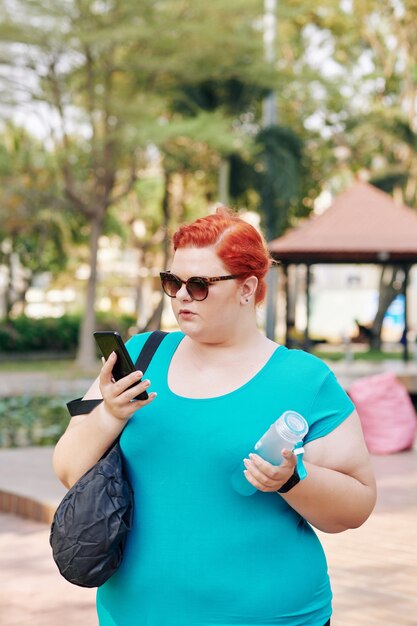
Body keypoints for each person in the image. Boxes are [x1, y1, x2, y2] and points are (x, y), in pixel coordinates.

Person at [53, 207, 376, 626]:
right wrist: (108, 415)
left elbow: (357, 505)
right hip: (134, 614)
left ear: (248, 288)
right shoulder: (142, 357)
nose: (182, 296)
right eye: (173, 282)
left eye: (200, 285)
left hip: (273, 615)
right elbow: (67, 469)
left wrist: (293, 481)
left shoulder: (304, 379)